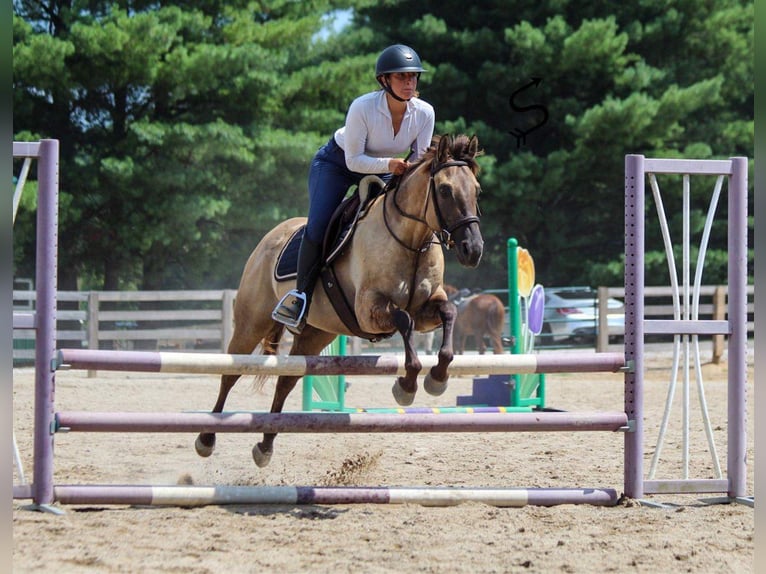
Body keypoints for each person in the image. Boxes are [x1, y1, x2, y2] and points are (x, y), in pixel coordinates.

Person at [272, 44, 436, 332]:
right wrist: (390, 165)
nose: (409, 83)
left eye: (413, 77)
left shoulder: (425, 113)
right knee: (319, 225)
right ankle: (300, 298)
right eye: (401, 77)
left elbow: (419, 158)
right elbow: (354, 159)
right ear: (384, 80)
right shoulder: (363, 107)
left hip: (389, 168)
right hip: (337, 164)